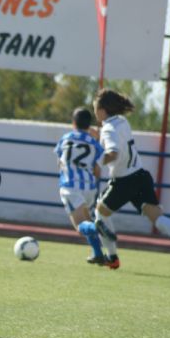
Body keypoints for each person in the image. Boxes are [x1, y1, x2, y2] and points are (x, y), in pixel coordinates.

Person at [92, 88, 170, 269]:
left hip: (123, 181)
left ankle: (112, 257)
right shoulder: (122, 121)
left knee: (100, 213)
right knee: (157, 217)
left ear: (103, 110)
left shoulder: (108, 129)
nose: (94, 111)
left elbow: (113, 152)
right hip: (141, 176)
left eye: (95, 108)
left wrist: (98, 163)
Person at [54, 107, 106, 264]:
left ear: (73, 122)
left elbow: (59, 162)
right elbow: (98, 170)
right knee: (87, 219)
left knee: (80, 227)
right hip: (89, 187)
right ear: (89, 125)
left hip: (70, 186)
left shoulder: (65, 138)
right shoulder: (95, 143)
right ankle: (98, 254)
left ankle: (98, 227)